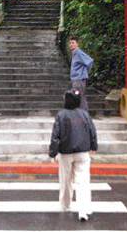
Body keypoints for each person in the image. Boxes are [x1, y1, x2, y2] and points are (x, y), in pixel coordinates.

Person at [49, 89, 98, 222]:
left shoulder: (61, 115)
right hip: (83, 152)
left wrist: (53, 153)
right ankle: (84, 210)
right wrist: (94, 146)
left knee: (65, 181)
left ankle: (65, 205)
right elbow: (92, 131)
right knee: (83, 182)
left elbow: (55, 136)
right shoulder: (85, 114)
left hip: (65, 153)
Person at [68, 37, 93, 111]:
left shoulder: (78, 52)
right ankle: (82, 115)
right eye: (70, 43)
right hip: (76, 80)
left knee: (79, 97)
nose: (71, 44)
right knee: (79, 97)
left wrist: (84, 73)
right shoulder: (74, 53)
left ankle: (83, 115)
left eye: (73, 43)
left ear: (77, 44)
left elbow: (90, 61)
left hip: (79, 79)